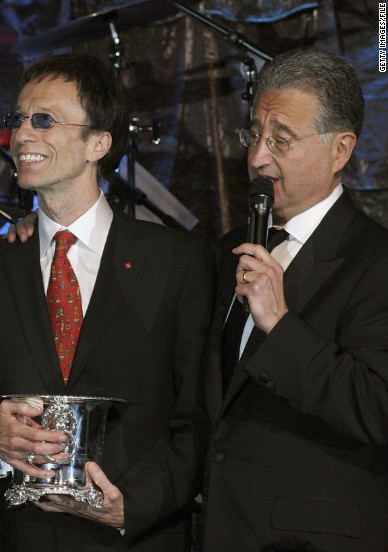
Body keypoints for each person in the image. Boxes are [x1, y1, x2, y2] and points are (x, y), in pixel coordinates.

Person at [0, 53, 214, 551]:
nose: (22, 135)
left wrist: (134, 505)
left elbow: (198, 417)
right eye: (17, 119)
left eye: (44, 120)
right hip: (22, 537)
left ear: (98, 143)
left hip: (138, 536)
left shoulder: (176, 261)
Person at [201, 49, 388, 551]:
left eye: (280, 140)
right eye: (254, 136)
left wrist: (280, 324)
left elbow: (377, 408)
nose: (259, 157)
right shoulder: (228, 248)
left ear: (341, 150)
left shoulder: (376, 260)